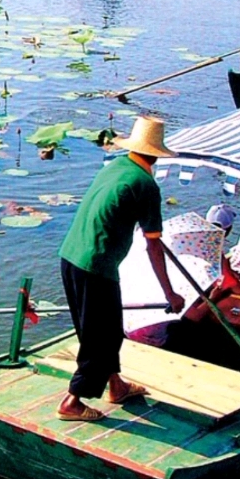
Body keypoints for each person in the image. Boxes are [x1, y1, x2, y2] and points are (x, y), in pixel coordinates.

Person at [56, 116, 185, 422]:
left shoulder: (115, 166)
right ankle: (72, 401)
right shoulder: (146, 184)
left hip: (71, 256)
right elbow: (153, 246)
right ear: (156, 154)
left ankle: (116, 385)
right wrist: (171, 294)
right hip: (96, 266)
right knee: (99, 338)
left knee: (108, 330)